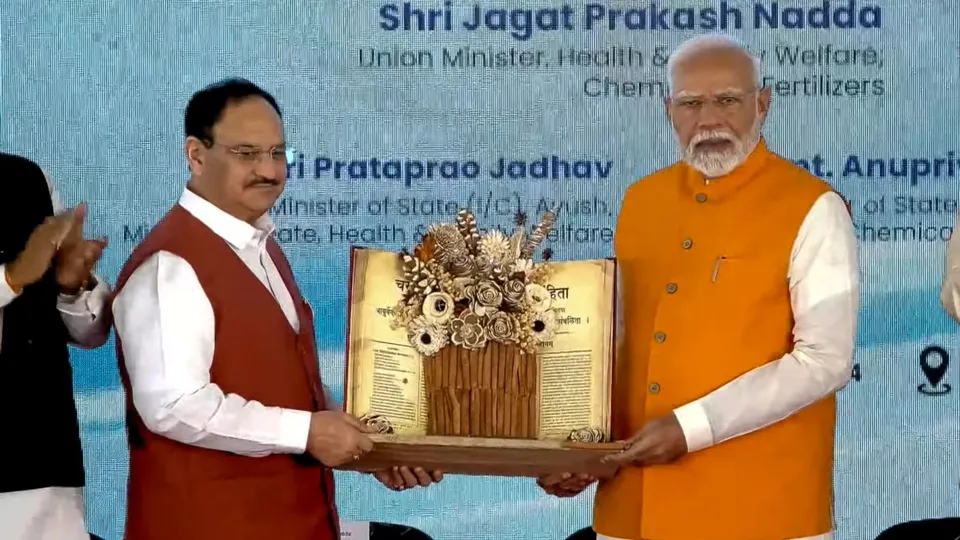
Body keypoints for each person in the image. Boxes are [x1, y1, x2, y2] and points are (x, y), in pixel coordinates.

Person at [536, 34, 860, 540]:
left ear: (763, 104)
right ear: (670, 111)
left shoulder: (814, 206)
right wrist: (577, 450)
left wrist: (692, 428)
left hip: (762, 513)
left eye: (727, 100)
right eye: (691, 104)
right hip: (632, 511)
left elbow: (825, 361)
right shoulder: (640, 202)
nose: (708, 120)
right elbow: (617, 351)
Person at [111, 78, 440, 540]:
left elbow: (288, 384)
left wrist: (371, 444)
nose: (268, 170)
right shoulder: (171, 264)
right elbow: (173, 405)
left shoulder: (261, 246)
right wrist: (309, 432)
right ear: (196, 154)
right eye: (246, 153)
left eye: (278, 153)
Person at [0, 152, 112, 540]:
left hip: (45, 469)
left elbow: (88, 332)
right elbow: (19, 276)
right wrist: (10, 280)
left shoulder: (28, 179)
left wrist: (71, 286)